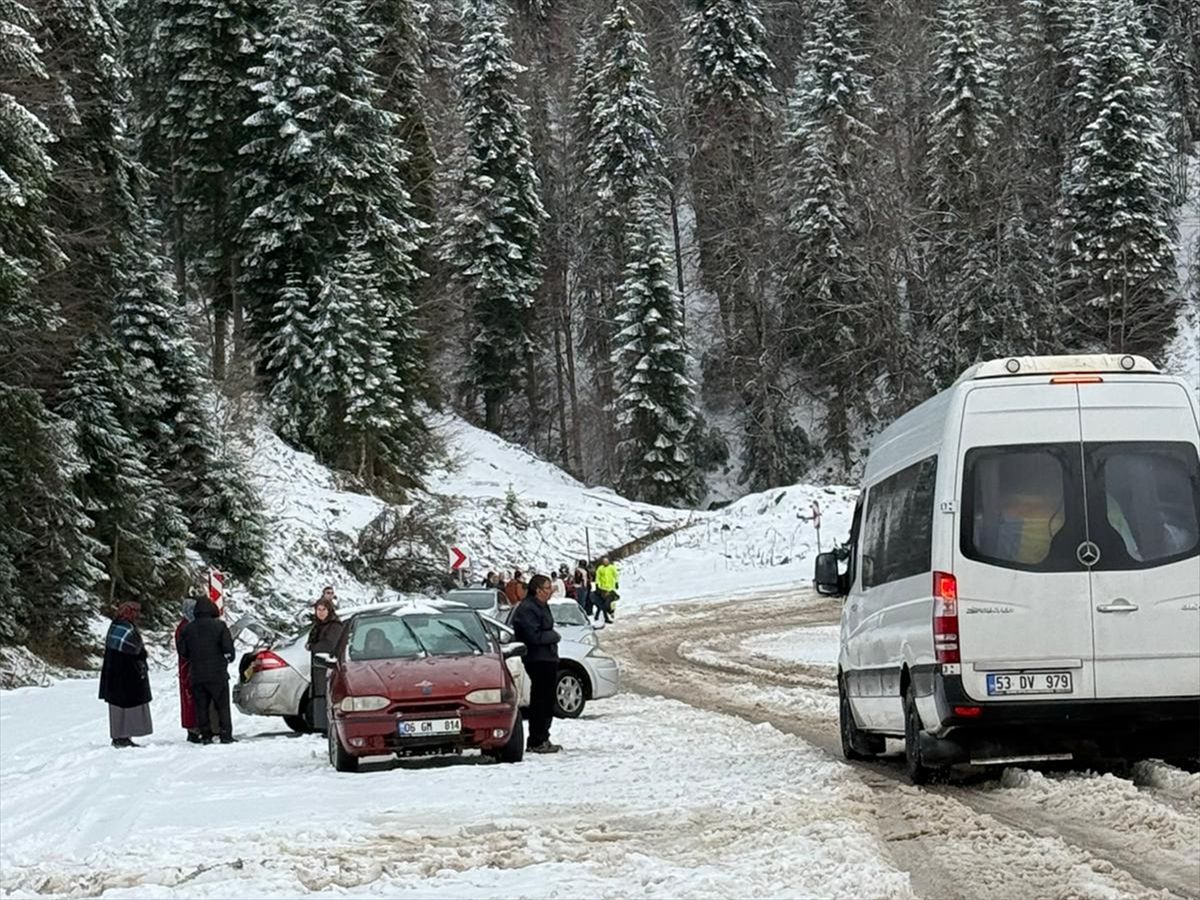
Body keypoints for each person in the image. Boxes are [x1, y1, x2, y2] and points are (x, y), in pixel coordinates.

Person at [510, 574, 561, 753]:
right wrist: (553, 636)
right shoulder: (527, 609)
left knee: (547, 700)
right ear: (538, 590)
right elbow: (533, 636)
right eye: (547, 588)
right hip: (537, 659)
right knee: (541, 700)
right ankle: (536, 740)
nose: (550, 591)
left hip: (548, 657)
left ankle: (543, 736)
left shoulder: (542, 606)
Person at [177, 597, 236, 744]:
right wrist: (228, 659)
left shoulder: (188, 628)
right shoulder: (220, 626)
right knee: (222, 705)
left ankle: (206, 735)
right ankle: (226, 734)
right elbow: (228, 648)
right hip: (217, 673)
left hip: (197, 674)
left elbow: (182, 651)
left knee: (201, 706)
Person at [99, 601, 153, 748]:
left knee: (119, 705)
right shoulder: (125, 628)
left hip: (115, 673)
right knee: (125, 705)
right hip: (125, 673)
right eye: (135, 611)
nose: (137, 615)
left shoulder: (116, 625)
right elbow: (135, 649)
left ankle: (121, 735)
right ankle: (122, 737)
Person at [175, 598, 201, 743]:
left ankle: (196, 727)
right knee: (189, 699)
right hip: (188, 667)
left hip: (191, 666)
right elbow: (183, 650)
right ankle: (192, 729)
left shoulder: (188, 625)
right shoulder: (184, 627)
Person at [594, 557, 619, 624]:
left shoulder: (612, 567)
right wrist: (597, 584)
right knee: (604, 603)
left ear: (608, 562)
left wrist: (616, 582)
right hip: (603, 589)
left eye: (606, 561)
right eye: (604, 562)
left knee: (611, 602)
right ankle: (606, 615)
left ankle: (611, 611)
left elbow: (616, 575)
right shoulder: (600, 568)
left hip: (611, 588)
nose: (605, 563)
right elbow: (597, 577)